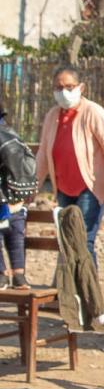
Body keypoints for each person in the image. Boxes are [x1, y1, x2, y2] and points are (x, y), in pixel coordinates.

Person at [36, 66, 104, 268]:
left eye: (69, 86)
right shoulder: (52, 116)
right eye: (59, 87)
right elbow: (42, 155)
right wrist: (34, 186)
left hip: (90, 188)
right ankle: (66, 291)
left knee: (84, 241)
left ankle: (87, 293)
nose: (64, 92)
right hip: (64, 190)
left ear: (81, 87)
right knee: (66, 242)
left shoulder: (94, 112)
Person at [0, 101, 37, 289]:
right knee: (16, 238)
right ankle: (15, 276)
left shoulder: (6, 137)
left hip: (9, 202)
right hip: (16, 201)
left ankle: (10, 275)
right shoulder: (13, 136)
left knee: (15, 238)